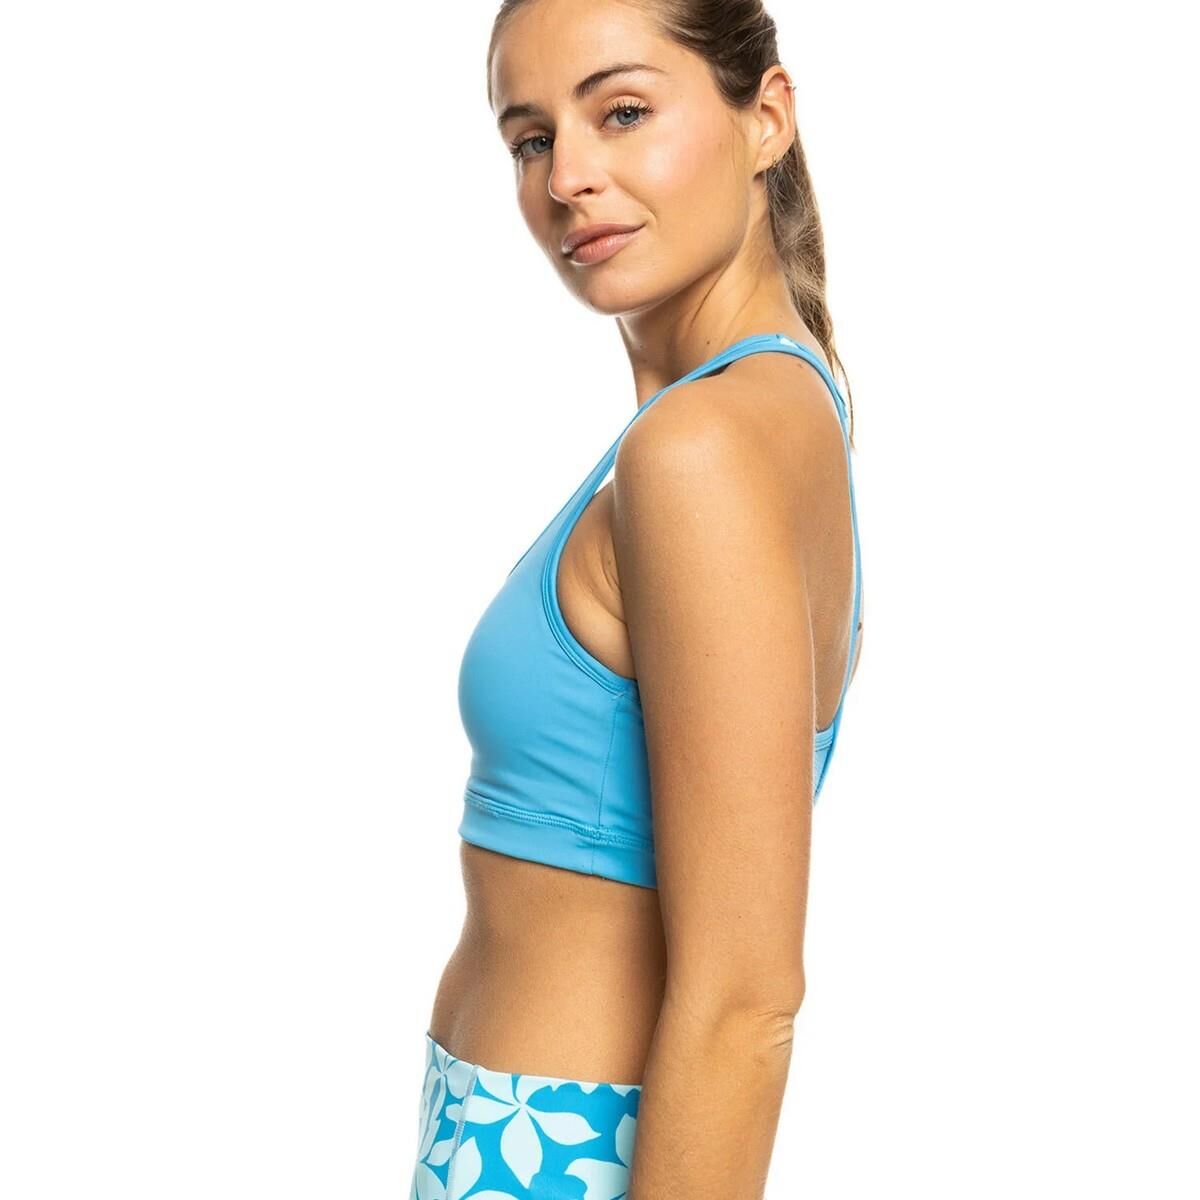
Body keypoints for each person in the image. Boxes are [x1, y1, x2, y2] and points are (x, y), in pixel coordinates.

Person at [409, 1, 864, 1196]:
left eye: (621, 112)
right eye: (531, 139)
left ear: (766, 118)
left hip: (556, 1152)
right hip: (516, 1137)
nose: (567, 176)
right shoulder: (767, 410)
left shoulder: (699, 451)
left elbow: (745, 1004)